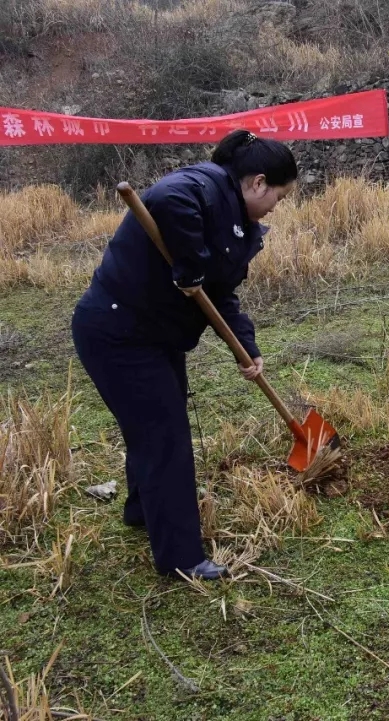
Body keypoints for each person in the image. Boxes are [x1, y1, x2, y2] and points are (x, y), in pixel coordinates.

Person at [71, 130, 297, 580]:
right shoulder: (205, 185)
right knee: (164, 434)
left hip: (153, 336)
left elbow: (220, 294)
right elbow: (169, 199)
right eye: (279, 194)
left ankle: (142, 510)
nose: (277, 205)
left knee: (154, 423)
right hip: (118, 333)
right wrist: (189, 264)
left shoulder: (238, 222)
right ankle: (180, 557)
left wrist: (246, 350)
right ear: (257, 182)